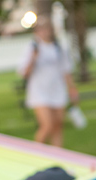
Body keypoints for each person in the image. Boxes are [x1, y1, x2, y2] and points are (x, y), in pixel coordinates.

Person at [18, 15, 79, 147]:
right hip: (39, 91)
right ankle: (37, 153)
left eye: (47, 28)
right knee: (47, 125)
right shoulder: (32, 47)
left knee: (58, 126)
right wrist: (33, 58)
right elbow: (24, 73)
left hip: (57, 90)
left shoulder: (58, 47)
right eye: (41, 29)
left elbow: (66, 70)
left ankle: (58, 156)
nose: (44, 32)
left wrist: (72, 89)